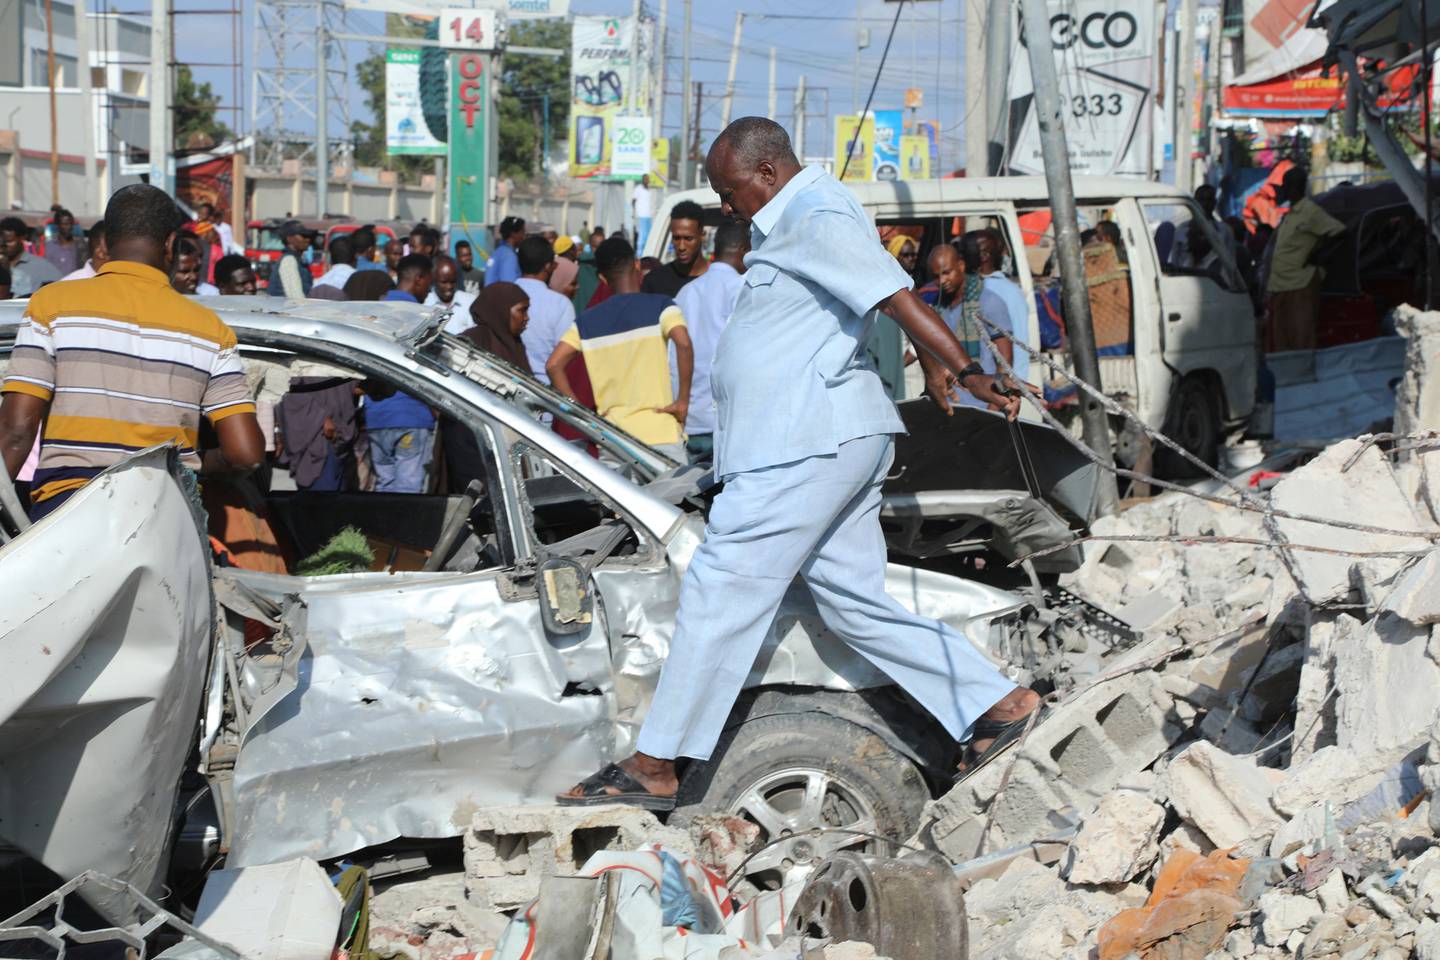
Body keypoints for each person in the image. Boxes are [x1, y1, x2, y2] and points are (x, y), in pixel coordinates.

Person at [559, 119, 1037, 809]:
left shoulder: (814, 213)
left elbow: (892, 295)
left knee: (721, 587)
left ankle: (655, 763)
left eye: (731, 191)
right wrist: (937, 366)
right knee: (853, 603)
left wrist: (965, 370)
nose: (728, 207)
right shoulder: (799, 219)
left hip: (802, 442)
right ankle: (1000, 704)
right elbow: (878, 294)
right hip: (819, 438)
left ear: (768, 174)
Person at [0, 183, 265, 520]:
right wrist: (194, 460)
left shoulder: (52, 305)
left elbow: (16, 431)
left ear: (105, 242)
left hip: (68, 513)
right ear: (170, 244)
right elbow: (245, 454)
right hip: (168, 518)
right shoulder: (211, 329)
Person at [544, 237, 693, 463]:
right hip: (661, 435)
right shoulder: (661, 306)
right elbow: (683, 342)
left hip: (614, 442)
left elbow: (554, 365)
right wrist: (682, 401)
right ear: (636, 264)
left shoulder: (586, 321)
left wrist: (581, 416)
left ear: (602, 278)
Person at [673, 219, 747, 462]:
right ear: (744, 251)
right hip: (724, 420)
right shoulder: (740, 288)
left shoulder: (686, 292)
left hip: (688, 418)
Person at [364, 254, 437, 493]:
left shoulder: (374, 312)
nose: (429, 290)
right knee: (408, 490)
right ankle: (403, 532)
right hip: (411, 417)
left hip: (376, 417)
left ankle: (383, 530)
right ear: (419, 279)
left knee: (385, 486)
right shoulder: (422, 317)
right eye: (429, 282)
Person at [925, 241, 1013, 411]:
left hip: (985, 406)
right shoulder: (937, 307)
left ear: (961, 265)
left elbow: (1005, 362)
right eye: (936, 276)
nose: (942, 281)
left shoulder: (989, 302)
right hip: (951, 404)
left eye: (946, 273)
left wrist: (994, 406)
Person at [1266, 167, 1345, 351]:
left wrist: (1318, 255)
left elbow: (1340, 233)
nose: (1281, 190)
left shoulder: (1310, 211)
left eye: (1284, 186)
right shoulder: (1290, 213)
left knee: (1301, 338)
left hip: (1301, 284)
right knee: (1281, 341)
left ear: (1292, 187)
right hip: (1280, 285)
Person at [515, 236, 576, 384]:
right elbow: (567, 359)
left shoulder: (503, 295)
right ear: (548, 266)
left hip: (505, 386)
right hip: (546, 392)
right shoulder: (560, 304)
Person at [977, 228, 1032, 387]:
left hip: (995, 388)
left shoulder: (997, 292)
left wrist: (1010, 387)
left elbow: (1016, 345)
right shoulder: (1011, 290)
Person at [641, 200, 708, 297]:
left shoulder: (720, 281)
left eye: (688, 238)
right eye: (676, 238)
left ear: (702, 235)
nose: (681, 246)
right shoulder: (655, 281)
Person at [463, 281, 530, 368]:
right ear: (502, 310)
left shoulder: (516, 345)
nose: (526, 317)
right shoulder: (473, 340)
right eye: (522, 311)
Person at [1, 217, 61, 296]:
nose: (3, 247)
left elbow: (60, 289)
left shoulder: (41, 266)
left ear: (22, 238)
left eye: (9, 242)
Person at [425, 255, 478, 335]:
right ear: (434, 279)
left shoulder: (470, 301)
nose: (449, 287)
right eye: (444, 282)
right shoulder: (425, 304)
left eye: (452, 282)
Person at [269, 220, 314, 298]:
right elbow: (296, 299)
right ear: (290, 239)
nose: (308, 239)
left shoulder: (298, 259)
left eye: (309, 236)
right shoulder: (288, 261)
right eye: (303, 236)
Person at [485, 216, 525, 286]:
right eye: (522, 232)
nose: (524, 236)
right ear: (513, 234)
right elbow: (509, 287)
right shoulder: (509, 256)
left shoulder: (497, 252)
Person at [42, 209, 84, 276]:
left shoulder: (80, 247)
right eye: (65, 224)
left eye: (71, 224)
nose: (69, 227)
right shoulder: (49, 246)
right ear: (57, 225)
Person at [634, 174, 655, 253]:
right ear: (642, 180)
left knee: (648, 237)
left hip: (649, 216)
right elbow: (633, 200)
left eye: (648, 179)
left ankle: (647, 253)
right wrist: (634, 213)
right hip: (641, 215)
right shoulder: (638, 189)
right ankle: (639, 254)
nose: (647, 180)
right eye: (645, 179)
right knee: (641, 236)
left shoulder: (650, 190)